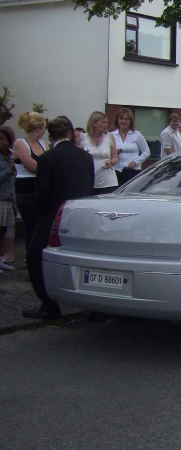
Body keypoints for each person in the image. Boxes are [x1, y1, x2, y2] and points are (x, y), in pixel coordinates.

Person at [22, 116, 95, 319]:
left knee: (34, 256)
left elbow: (43, 194)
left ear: (50, 135)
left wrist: (44, 213)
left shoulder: (48, 158)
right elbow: (90, 187)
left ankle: (49, 305)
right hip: (82, 214)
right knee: (85, 259)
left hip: (55, 214)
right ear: (70, 133)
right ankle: (95, 306)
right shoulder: (86, 157)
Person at [12, 110, 48, 255]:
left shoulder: (43, 144)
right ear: (38, 128)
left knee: (41, 228)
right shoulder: (20, 144)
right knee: (31, 228)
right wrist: (47, 169)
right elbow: (32, 166)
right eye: (44, 127)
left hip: (41, 191)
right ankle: (30, 261)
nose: (45, 130)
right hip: (26, 193)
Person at [82, 111, 118, 194]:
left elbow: (115, 158)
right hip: (90, 179)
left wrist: (111, 162)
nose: (106, 125)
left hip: (108, 181)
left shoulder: (109, 136)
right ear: (94, 123)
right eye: (103, 122)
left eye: (106, 122)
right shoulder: (83, 137)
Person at [111, 108, 150, 185]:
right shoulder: (111, 135)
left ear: (130, 121)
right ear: (117, 120)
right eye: (121, 119)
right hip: (116, 171)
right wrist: (115, 153)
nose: (123, 121)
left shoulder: (137, 135)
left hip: (133, 171)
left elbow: (146, 151)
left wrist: (136, 162)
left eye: (126, 119)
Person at [0, 125, 16, 274]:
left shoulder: (9, 155)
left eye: (3, 139)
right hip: (0, 198)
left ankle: (1, 260)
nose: (1, 142)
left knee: (5, 231)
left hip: (8, 198)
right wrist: (8, 171)